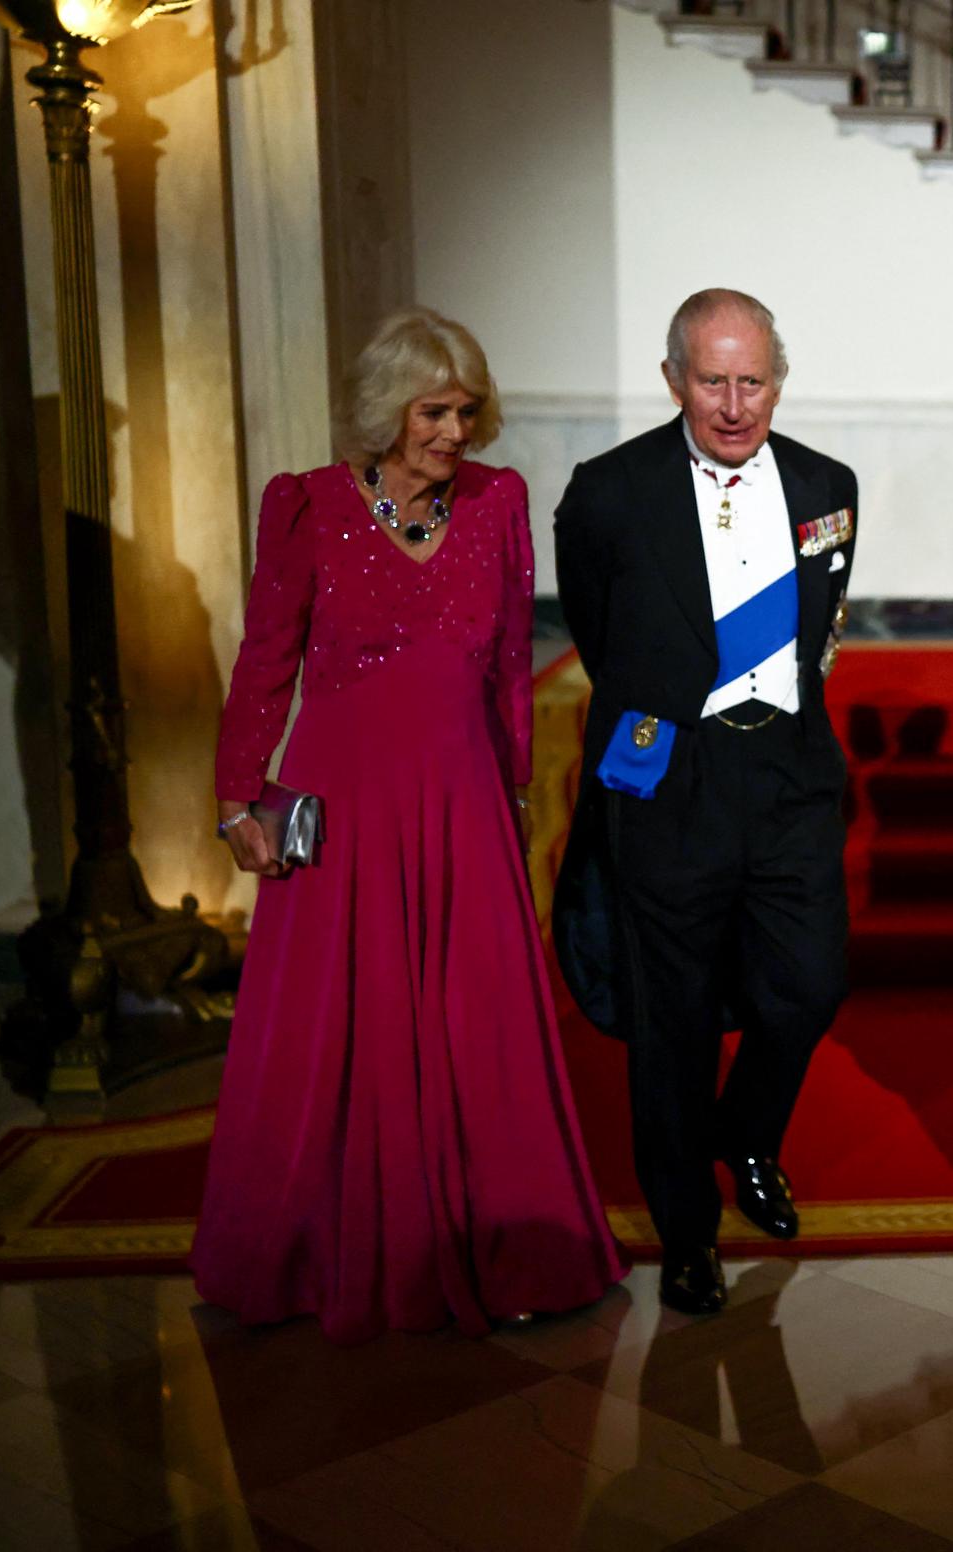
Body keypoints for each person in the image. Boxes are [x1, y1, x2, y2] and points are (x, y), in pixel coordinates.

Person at [197, 308, 623, 1344]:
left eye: (467, 411)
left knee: (476, 1020)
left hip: (462, 799)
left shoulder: (497, 502)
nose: (454, 432)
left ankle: (509, 1242)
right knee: (334, 1026)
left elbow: (510, 666)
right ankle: (312, 1250)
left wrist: (513, 792)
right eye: (433, 411)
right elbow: (266, 659)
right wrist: (237, 796)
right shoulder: (305, 505)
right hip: (342, 805)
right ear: (387, 411)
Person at [553, 289, 857, 1316]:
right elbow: (600, 631)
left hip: (790, 775)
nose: (734, 404)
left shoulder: (827, 484)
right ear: (674, 379)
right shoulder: (609, 492)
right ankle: (687, 1230)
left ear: (779, 379)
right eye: (713, 381)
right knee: (672, 1019)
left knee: (809, 984)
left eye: (753, 380)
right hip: (670, 776)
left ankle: (749, 1134)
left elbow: (820, 624)